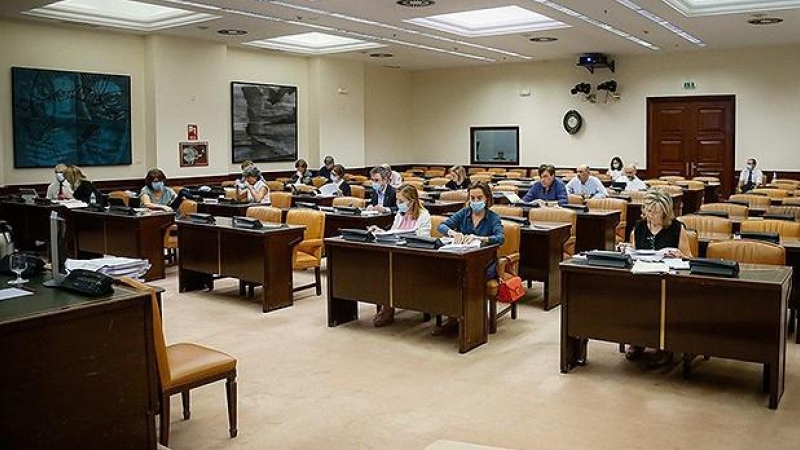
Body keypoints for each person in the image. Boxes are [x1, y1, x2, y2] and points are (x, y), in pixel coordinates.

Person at [625, 188, 692, 367]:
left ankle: (664, 346)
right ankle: (637, 340)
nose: (650, 216)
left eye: (655, 212)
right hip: (643, 278)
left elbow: (689, 258)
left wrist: (680, 255)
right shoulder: (638, 228)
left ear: (665, 211)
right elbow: (633, 253)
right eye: (648, 211)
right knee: (634, 298)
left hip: (668, 281)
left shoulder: (677, 228)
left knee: (663, 300)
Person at [435, 181, 505, 335]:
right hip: (463, 258)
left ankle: (471, 319)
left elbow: (500, 238)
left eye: (479, 198)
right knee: (446, 274)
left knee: (467, 277)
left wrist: (481, 238)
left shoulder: (492, 217)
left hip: (485, 262)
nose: (475, 202)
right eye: (472, 198)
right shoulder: (464, 213)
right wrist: (454, 233)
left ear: (487, 198)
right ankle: (453, 317)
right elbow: (442, 226)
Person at [368, 184, 432, 327]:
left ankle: (389, 308)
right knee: (382, 270)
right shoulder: (400, 214)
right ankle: (388, 307)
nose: (399, 205)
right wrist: (380, 232)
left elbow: (423, 238)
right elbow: (393, 232)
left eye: (401, 202)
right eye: (397, 201)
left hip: (415, 257)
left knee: (392, 270)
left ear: (412, 201)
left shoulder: (424, 215)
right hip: (396, 252)